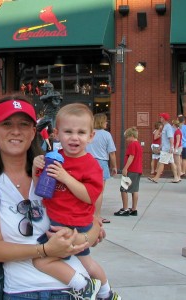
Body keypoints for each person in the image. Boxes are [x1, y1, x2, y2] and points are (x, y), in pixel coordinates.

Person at [0, 97, 104, 300]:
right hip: (23, 291)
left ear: (33, 133)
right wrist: (45, 250)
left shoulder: (52, 172)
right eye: (7, 124)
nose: (16, 131)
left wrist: (80, 239)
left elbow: (92, 221)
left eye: (23, 125)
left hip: (77, 290)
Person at [32, 103, 119, 300]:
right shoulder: (54, 158)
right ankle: (107, 293)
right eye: (68, 131)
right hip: (60, 219)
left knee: (40, 260)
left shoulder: (90, 165)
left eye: (81, 132)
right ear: (56, 134)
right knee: (87, 262)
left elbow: (90, 195)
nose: (74, 137)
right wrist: (35, 168)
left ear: (91, 136)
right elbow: (40, 190)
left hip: (72, 223)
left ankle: (84, 286)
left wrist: (65, 177)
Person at [86, 113, 117, 224]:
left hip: (87, 162)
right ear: (101, 122)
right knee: (99, 192)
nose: (106, 123)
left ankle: (86, 213)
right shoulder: (106, 135)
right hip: (101, 163)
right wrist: (114, 166)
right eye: (105, 121)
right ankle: (97, 216)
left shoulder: (89, 133)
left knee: (86, 189)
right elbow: (112, 153)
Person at [114, 127, 143, 216]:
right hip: (137, 170)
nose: (126, 140)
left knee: (124, 189)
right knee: (135, 190)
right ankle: (134, 209)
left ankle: (125, 209)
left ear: (131, 136)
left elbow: (131, 156)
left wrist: (125, 168)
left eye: (127, 137)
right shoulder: (138, 145)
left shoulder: (132, 145)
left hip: (131, 170)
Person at [148, 113, 180, 183]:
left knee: (161, 162)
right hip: (166, 148)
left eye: (161, 117)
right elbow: (164, 139)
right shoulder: (165, 127)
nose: (160, 118)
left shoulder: (167, 127)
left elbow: (171, 138)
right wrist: (160, 146)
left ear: (164, 118)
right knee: (172, 162)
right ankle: (176, 177)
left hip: (167, 149)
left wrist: (171, 147)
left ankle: (156, 178)